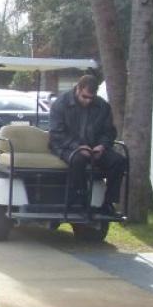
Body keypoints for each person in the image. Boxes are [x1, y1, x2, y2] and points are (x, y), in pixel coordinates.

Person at [48, 74, 125, 213]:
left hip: (94, 147)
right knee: (78, 159)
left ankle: (108, 202)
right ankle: (79, 200)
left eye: (91, 98)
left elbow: (109, 132)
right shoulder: (61, 104)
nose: (88, 101)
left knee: (118, 161)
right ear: (78, 89)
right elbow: (56, 133)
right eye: (85, 97)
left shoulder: (102, 106)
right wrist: (77, 146)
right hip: (65, 146)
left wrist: (102, 146)